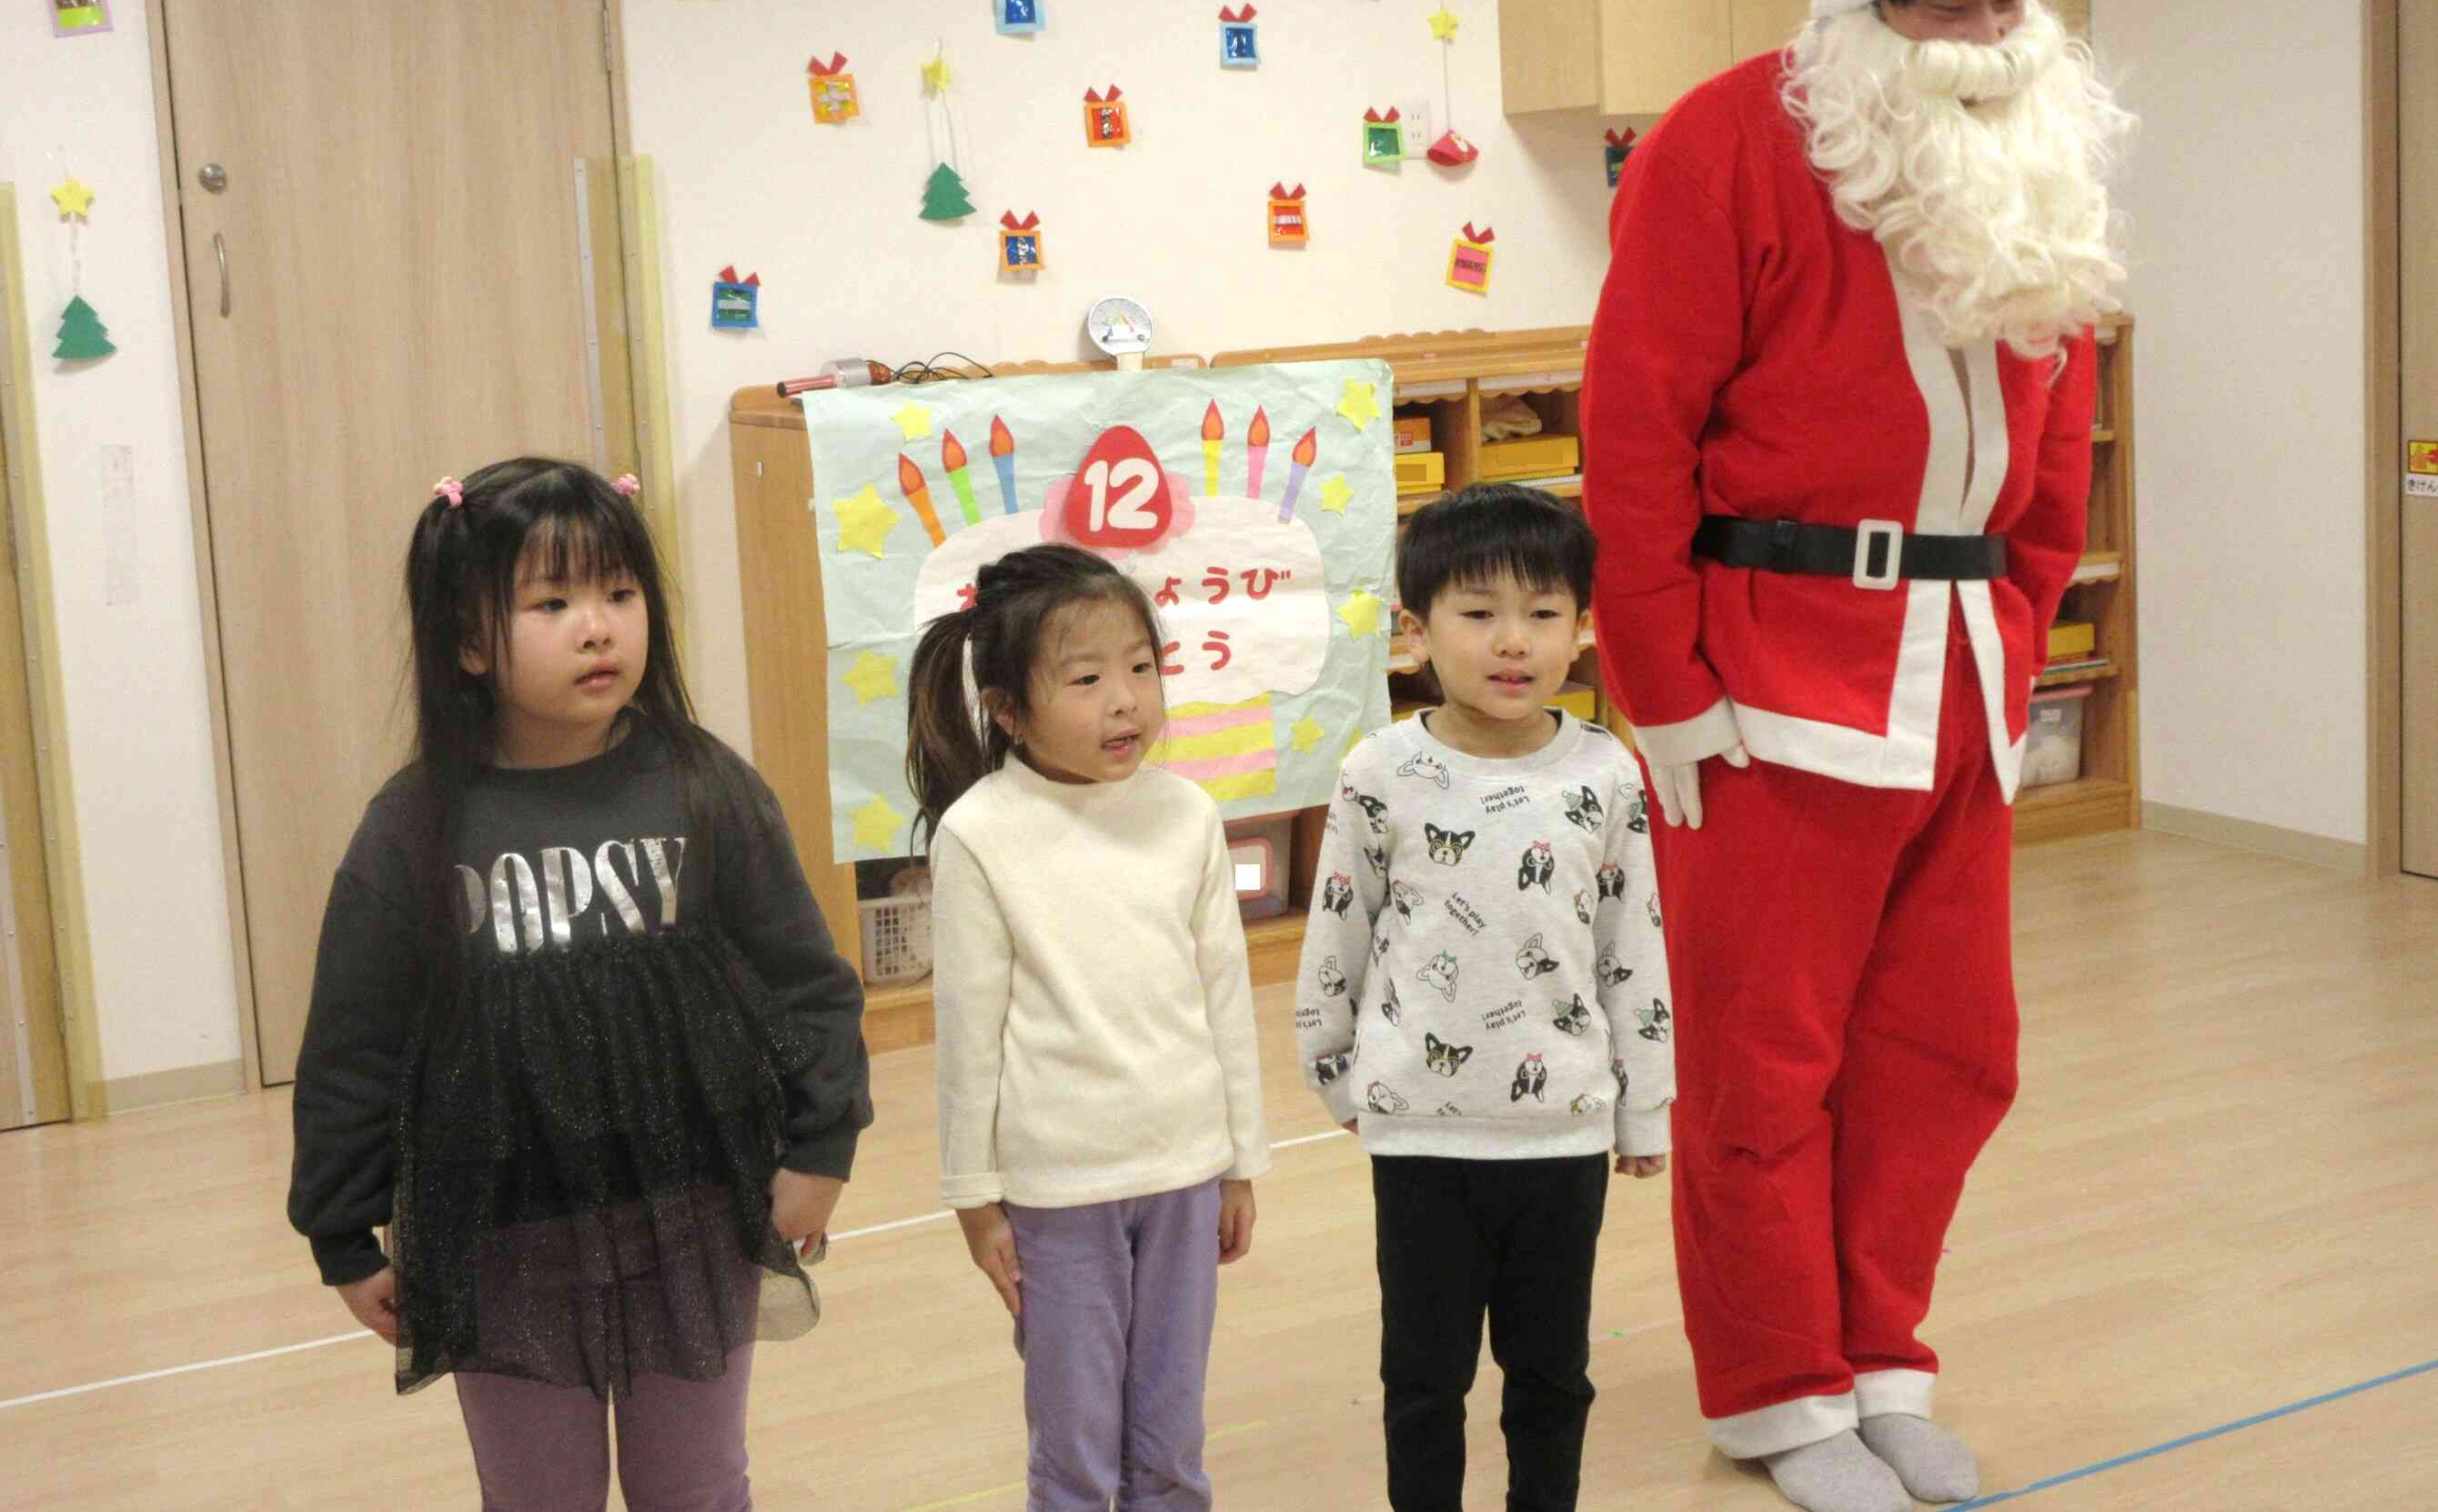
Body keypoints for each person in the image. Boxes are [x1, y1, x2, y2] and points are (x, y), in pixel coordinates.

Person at [1583, 0, 2135, 1512]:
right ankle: (1776, 1392)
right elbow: (1635, 426)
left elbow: (2061, 423)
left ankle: (1881, 1354)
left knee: (1950, 1048)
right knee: (1767, 1062)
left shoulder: (2028, 156)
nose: (1985, 25)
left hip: (1961, 674)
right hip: (1770, 677)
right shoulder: (1729, 138)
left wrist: (2027, 615)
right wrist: (1663, 685)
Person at [287, 458, 871, 1512]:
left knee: (696, 1486)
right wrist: (341, 1228)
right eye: (551, 602)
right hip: (501, 1239)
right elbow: (352, 1045)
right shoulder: (413, 828)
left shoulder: (705, 786)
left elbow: (806, 983)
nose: (597, 627)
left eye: (618, 592)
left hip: (694, 1216)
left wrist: (821, 1146)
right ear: (468, 643)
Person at [1295, 483, 1675, 1512]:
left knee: (1551, 1375)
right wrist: (1342, 1078)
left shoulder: (1606, 773)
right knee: (1423, 1381)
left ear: (1582, 628)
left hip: (1561, 1138)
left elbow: (1630, 949)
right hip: (1420, 1136)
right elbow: (1339, 930)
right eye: (1477, 612)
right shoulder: (1381, 769)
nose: (1513, 641)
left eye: (1543, 612)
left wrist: (1641, 1106)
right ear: (1415, 632)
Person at [908, 542, 1271, 1512]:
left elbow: (1225, 995)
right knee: (1073, 1448)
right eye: (1086, 677)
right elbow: (968, 1034)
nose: (1125, 699)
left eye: (1141, 667)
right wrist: (974, 1199)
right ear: (1008, 709)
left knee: (1171, 1434)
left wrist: (1239, 1158)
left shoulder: (1187, 814)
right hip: (1059, 1185)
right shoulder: (980, 833)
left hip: (1185, 1170)